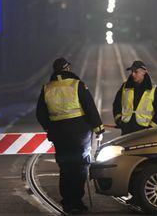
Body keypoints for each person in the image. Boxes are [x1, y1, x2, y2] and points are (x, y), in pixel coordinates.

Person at [36, 57, 104, 214]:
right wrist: (98, 129)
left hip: (60, 136)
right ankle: (77, 201)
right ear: (67, 68)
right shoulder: (77, 85)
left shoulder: (46, 88)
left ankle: (67, 201)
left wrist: (50, 128)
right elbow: (90, 108)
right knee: (80, 167)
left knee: (65, 168)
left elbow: (40, 114)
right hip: (79, 135)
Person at [112, 60, 157, 135]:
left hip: (144, 133)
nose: (133, 74)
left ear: (144, 72)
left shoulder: (153, 90)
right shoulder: (125, 87)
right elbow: (116, 105)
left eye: (136, 72)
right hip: (126, 131)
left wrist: (151, 128)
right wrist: (119, 121)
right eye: (132, 72)